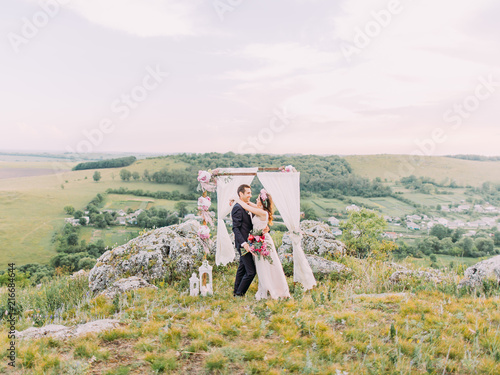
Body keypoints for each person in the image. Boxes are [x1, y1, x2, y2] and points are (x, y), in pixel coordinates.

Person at [235, 189, 290, 300]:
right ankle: (265, 288)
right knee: (263, 267)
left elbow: (247, 207)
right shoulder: (260, 209)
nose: (255, 199)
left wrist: (236, 199)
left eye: (258, 198)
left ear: (261, 202)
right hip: (258, 240)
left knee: (267, 266)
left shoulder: (262, 212)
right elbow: (250, 204)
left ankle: (271, 289)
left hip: (263, 242)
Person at [232, 184, 256, 296]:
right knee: (251, 272)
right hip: (243, 244)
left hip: (248, 242)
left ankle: (236, 291)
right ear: (241, 194)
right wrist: (244, 243)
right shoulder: (237, 208)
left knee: (242, 268)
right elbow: (235, 228)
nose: (250, 195)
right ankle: (239, 294)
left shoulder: (245, 206)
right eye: (248, 193)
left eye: (250, 193)